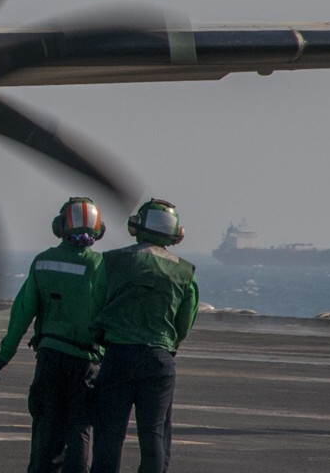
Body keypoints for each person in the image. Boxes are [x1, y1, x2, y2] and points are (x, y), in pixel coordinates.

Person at [0, 196, 108, 473]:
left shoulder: (43, 262)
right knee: (79, 428)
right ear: (98, 230)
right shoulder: (101, 266)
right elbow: (111, 316)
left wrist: (3, 356)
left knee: (46, 428)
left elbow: (22, 312)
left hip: (50, 357)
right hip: (86, 361)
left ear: (59, 227)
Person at [89, 199, 198, 473]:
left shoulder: (112, 260)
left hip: (118, 356)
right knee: (154, 434)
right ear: (174, 234)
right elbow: (185, 321)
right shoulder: (185, 271)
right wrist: (167, 345)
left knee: (109, 433)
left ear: (138, 226)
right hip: (159, 358)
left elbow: (95, 302)